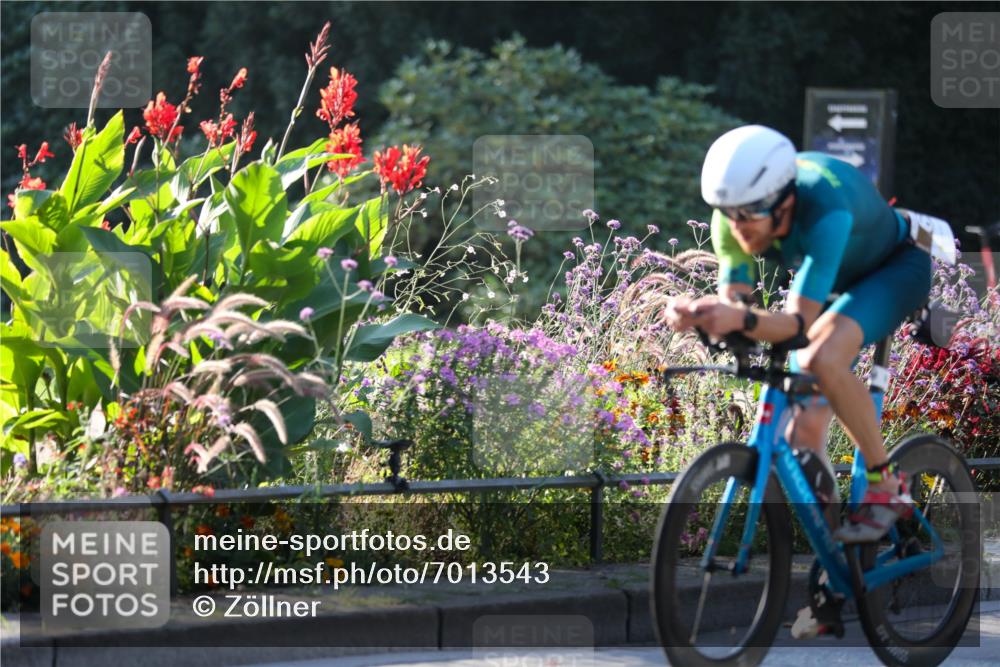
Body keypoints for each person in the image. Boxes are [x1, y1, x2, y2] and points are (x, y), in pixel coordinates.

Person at [663, 125, 933, 632]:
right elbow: (740, 306)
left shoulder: (822, 209)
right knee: (800, 438)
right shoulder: (733, 216)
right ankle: (834, 580)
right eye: (731, 214)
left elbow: (798, 326)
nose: (739, 228)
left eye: (751, 215)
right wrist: (705, 313)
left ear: (784, 202)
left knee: (822, 358)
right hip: (832, 278)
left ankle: (883, 484)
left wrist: (740, 320)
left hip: (892, 270)